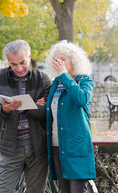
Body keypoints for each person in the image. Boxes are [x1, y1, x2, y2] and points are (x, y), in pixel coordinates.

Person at [0, 39, 51, 193]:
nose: (19, 68)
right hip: (10, 146)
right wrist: (5, 109)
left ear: (29, 57)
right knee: (2, 190)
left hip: (38, 148)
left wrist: (28, 107)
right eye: (13, 64)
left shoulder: (43, 79)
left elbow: (48, 113)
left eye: (22, 62)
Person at [44, 41, 96, 193]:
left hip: (76, 146)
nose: (59, 62)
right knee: (63, 190)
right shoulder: (56, 84)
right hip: (56, 146)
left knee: (78, 190)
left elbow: (81, 99)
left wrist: (65, 76)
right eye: (56, 59)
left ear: (74, 61)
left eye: (63, 59)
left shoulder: (85, 80)